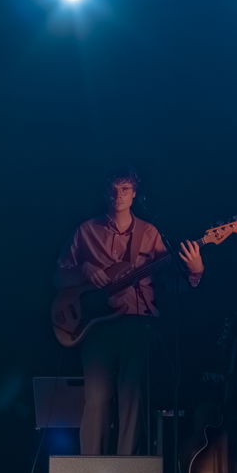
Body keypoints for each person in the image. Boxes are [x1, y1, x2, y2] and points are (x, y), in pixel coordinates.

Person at [55, 169, 203, 455]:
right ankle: (90, 472)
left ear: (135, 193)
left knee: (132, 396)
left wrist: (195, 271)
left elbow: (172, 282)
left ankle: (126, 472)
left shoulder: (149, 232)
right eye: (114, 189)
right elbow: (59, 277)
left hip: (137, 321)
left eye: (125, 189)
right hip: (96, 326)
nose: (119, 195)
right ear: (104, 192)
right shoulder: (86, 231)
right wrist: (84, 270)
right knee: (96, 397)